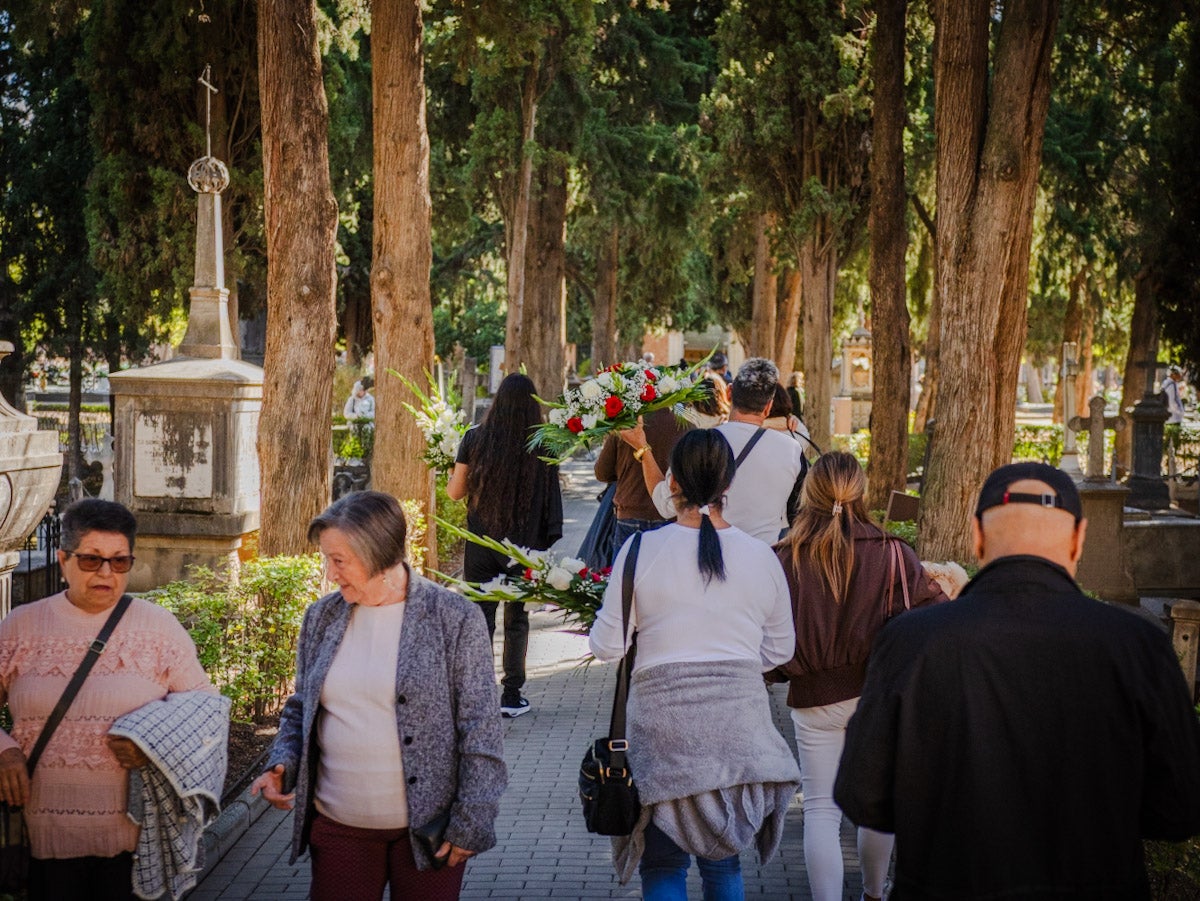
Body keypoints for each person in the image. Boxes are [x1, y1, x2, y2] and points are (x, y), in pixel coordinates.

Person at [835, 462, 1200, 899]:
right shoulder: (1140, 647)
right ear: (1078, 540)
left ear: (978, 536)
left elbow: (862, 795)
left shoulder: (912, 642)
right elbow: (1180, 810)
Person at [251, 491, 506, 901]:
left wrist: (473, 819)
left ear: (378, 555)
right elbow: (301, 706)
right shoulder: (322, 616)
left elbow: (481, 727)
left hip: (430, 833)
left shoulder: (453, 618)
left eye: (339, 560)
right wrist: (283, 761)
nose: (330, 574)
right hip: (339, 829)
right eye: (327, 559)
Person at [589, 429, 800, 899]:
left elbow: (607, 645)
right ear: (729, 483)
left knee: (662, 867)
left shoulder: (640, 551)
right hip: (738, 733)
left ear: (671, 481)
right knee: (724, 868)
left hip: (661, 737)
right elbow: (781, 650)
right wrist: (737, 664)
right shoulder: (762, 557)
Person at [0, 499, 217, 901]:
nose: (106, 573)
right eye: (91, 560)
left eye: (119, 562)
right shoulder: (19, 626)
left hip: (135, 844)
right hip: (38, 840)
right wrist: (4, 751)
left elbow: (205, 710)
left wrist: (153, 745)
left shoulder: (158, 628)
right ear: (63, 559)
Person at [773, 453, 947, 901]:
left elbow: (768, 639)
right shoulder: (892, 552)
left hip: (813, 701)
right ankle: (874, 894)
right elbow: (930, 620)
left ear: (809, 493)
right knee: (876, 806)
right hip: (876, 698)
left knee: (820, 810)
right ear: (861, 492)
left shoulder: (783, 556)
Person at [447, 373, 563, 717]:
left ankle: (478, 694)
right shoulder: (544, 445)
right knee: (517, 621)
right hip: (523, 548)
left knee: (480, 618)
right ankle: (511, 695)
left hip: (482, 544)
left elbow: (455, 492)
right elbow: (550, 502)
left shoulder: (475, 439)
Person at [621, 357, 808, 544]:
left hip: (706, 559)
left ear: (728, 392)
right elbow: (797, 518)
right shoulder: (791, 451)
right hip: (762, 559)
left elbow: (664, 504)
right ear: (768, 406)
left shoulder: (700, 444)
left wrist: (642, 449)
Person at [595, 407, 691, 549]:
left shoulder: (625, 427)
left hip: (630, 514)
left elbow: (602, 473)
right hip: (670, 517)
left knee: (627, 569)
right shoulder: (687, 427)